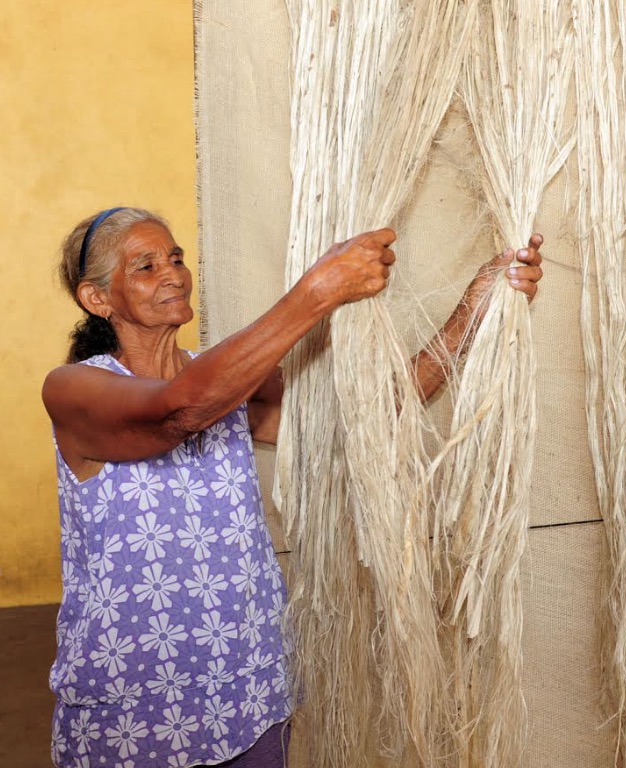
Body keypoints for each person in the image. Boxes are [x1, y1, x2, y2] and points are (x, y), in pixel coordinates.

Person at [42, 206, 544, 768]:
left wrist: (477, 307)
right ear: (97, 300)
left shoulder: (228, 380)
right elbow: (178, 412)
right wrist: (320, 290)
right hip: (137, 709)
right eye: (146, 266)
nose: (173, 274)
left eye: (177, 258)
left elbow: (379, 412)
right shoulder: (74, 389)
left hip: (249, 692)